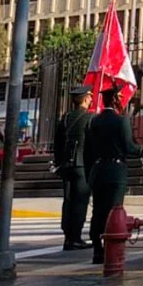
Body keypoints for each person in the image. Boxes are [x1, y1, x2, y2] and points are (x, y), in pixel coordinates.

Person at [84, 84, 143, 264]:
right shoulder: (121, 121)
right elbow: (128, 146)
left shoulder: (93, 121)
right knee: (114, 211)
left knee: (98, 211)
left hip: (98, 170)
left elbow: (87, 151)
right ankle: (110, 247)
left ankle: (97, 248)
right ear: (116, 100)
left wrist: (90, 174)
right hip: (116, 171)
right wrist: (142, 150)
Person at [54, 85, 95, 251]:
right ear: (85, 99)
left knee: (68, 200)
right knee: (80, 202)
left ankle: (68, 237)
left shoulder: (65, 118)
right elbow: (92, 143)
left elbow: (57, 143)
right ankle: (75, 237)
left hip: (66, 164)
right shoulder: (89, 118)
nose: (91, 100)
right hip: (81, 164)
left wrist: (58, 162)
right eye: (90, 97)